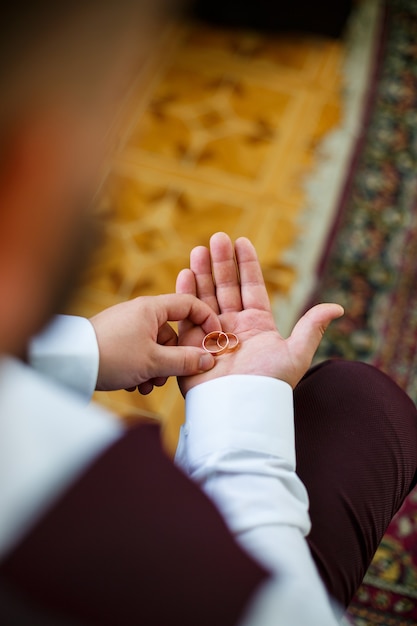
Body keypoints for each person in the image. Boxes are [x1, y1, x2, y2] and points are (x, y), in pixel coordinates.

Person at [1, 2, 417, 625]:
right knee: (364, 405)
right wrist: (240, 414)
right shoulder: (91, 511)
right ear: (28, 171)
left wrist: (76, 349)